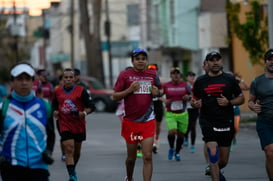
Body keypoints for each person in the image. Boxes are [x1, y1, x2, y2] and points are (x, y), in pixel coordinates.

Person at [191, 51, 245, 181]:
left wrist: (229, 102)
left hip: (226, 121)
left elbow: (241, 98)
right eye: (212, 60)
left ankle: (213, 169)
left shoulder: (229, 79)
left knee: (223, 160)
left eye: (217, 60)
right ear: (207, 63)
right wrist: (195, 104)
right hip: (208, 121)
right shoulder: (201, 81)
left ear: (221, 62)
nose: (215, 62)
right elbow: (194, 100)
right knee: (213, 154)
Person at [0, 62, 55, 181]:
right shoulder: (3, 107)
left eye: (27, 79)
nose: (24, 83)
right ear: (12, 82)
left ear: (32, 82)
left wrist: (48, 151)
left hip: (39, 168)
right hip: (11, 167)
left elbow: (51, 134)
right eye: (19, 79)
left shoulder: (44, 106)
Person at [112, 48, 161, 181]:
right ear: (132, 61)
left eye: (143, 59)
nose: (140, 61)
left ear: (146, 60)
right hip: (131, 122)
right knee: (131, 158)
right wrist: (129, 90)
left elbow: (159, 90)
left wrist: (158, 93)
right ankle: (129, 177)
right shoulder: (125, 75)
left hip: (148, 120)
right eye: (137, 59)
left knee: (147, 156)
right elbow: (115, 96)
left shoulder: (152, 74)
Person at [52, 68, 96, 181]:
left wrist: (83, 113)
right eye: (65, 77)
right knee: (69, 148)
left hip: (78, 124)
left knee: (76, 152)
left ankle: (72, 169)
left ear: (75, 79)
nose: (68, 80)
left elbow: (91, 106)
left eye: (70, 77)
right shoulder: (57, 91)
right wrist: (55, 111)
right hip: (64, 123)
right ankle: (72, 176)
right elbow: (54, 105)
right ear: (62, 79)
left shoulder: (81, 90)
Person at [248, 49, 273, 181]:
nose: (272, 62)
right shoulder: (257, 81)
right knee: (270, 152)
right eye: (270, 59)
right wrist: (253, 106)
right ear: (265, 62)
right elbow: (250, 101)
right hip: (265, 122)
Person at [160, 67, 191, 161]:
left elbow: (192, 95)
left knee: (181, 135)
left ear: (180, 75)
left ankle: (177, 152)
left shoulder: (186, 85)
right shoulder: (166, 85)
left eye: (177, 73)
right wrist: (165, 100)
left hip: (183, 113)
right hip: (170, 113)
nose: (176, 75)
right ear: (170, 75)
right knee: (172, 131)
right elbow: (158, 96)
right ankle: (171, 148)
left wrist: (188, 97)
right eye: (173, 73)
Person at [147, 64, 164, 154]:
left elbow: (163, 92)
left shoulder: (160, 80)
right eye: (150, 69)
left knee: (158, 125)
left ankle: (156, 138)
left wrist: (159, 93)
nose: (152, 71)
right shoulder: (146, 80)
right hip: (149, 105)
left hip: (158, 104)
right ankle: (154, 142)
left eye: (154, 69)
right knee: (151, 124)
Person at [184, 71, 199, 153]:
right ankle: (185, 136)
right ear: (187, 77)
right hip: (187, 108)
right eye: (190, 76)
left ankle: (192, 145)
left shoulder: (197, 85)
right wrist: (188, 97)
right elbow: (183, 95)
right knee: (188, 125)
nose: (192, 78)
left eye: (193, 76)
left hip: (195, 108)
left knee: (193, 126)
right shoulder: (184, 85)